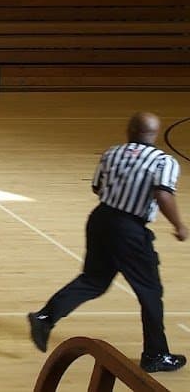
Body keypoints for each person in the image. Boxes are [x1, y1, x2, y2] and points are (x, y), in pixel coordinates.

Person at [27, 112, 187, 373]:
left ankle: (45, 317)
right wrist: (179, 225)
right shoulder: (163, 161)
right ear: (154, 134)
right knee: (150, 293)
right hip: (130, 229)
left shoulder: (112, 153)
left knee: (94, 280)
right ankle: (156, 354)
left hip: (100, 219)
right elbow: (162, 194)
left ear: (129, 130)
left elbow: (97, 187)